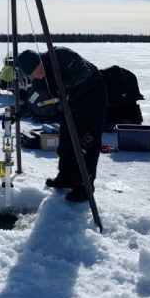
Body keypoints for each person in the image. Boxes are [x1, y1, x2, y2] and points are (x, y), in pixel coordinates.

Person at [14, 47, 107, 203]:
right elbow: (33, 101)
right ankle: (66, 178)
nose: (30, 78)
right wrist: (17, 114)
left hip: (92, 97)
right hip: (71, 101)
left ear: (38, 65)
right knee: (66, 139)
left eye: (30, 74)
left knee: (86, 142)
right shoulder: (39, 79)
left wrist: (61, 87)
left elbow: (85, 71)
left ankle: (84, 189)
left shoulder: (61, 55)